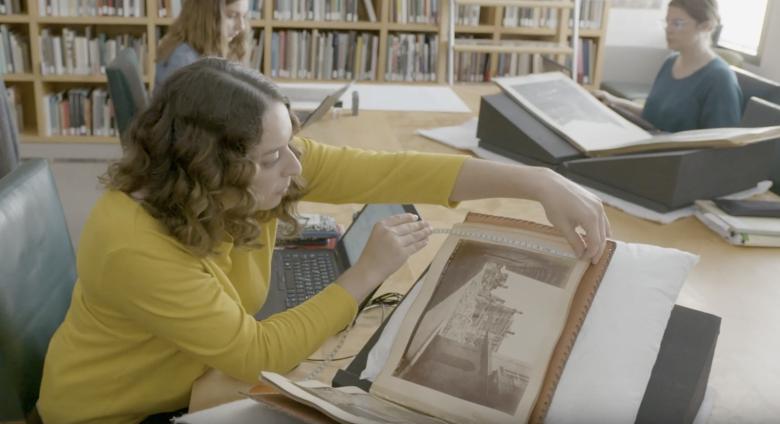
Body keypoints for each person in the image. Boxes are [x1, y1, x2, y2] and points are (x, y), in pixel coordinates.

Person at [37, 58, 610, 424]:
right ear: (210, 169)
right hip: (113, 413)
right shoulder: (132, 243)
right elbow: (256, 354)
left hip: (193, 378)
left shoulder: (242, 182)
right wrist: (362, 276)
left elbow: (395, 172)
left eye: (293, 143)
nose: (295, 165)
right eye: (273, 157)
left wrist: (536, 180)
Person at [593, 0, 742, 132]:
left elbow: (721, 146)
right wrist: (613, 100)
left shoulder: (719, 79)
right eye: (667, 22)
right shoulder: (670, 62)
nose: (668, 29)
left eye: (677, 23)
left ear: (706, 27)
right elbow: (655, 115)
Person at [154, 0, 251, 92]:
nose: (242, 26)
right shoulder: (183, 60)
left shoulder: (217, 48)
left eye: (244, 16)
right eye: (232, 16)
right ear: (205, 16)